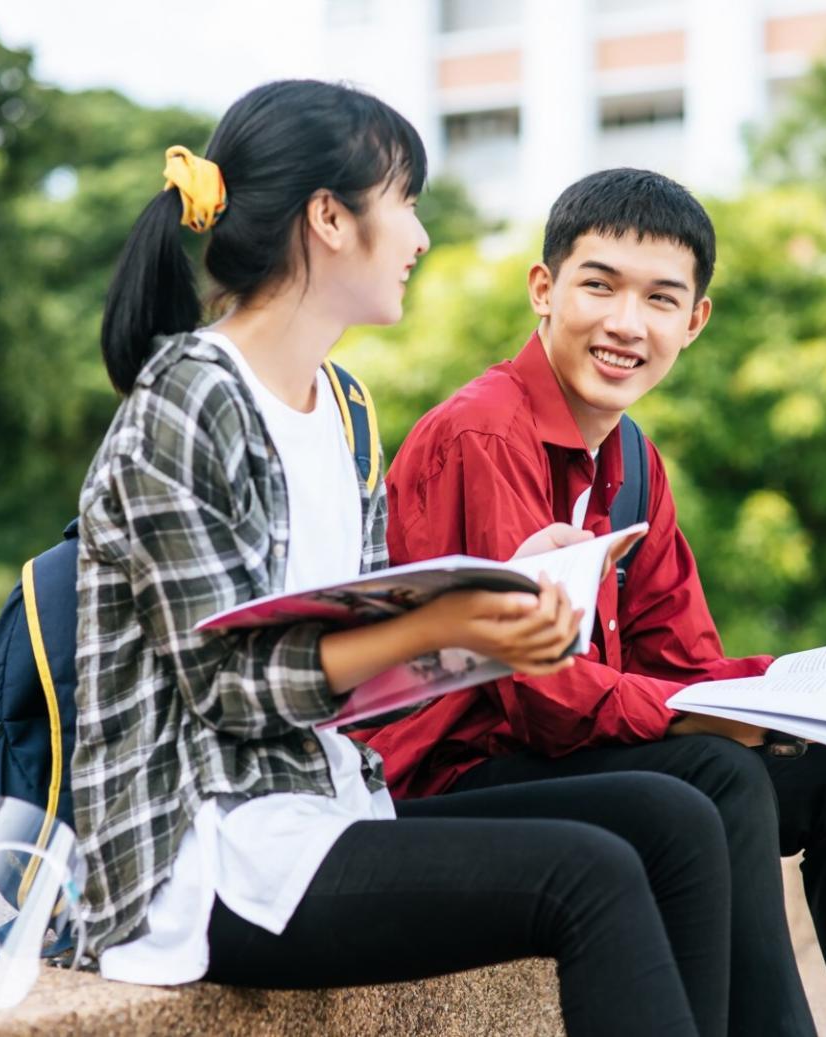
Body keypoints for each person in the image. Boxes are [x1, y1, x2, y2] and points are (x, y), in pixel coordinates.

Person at [72, 83, 733, 1037]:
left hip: (324, 807)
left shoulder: (341, 406)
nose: (420, 237)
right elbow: (230, 690)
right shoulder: (191, 399)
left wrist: (508, 580)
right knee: (589, 876)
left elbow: (364, 643)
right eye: (406, 203)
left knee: (673, 819)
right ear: (330, 218)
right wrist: (438, 623)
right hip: (204, 850)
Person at [359, 168, 826, 1037]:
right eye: (599, 285)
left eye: (661, 298)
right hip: (447, 779)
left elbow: (685, 664)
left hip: (556, 758)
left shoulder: (635, 466)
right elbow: (536, 701)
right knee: (717, 771)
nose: (626, 323)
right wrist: (714, 720)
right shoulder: (482, 433)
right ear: (544, 290)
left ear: (695, 322)